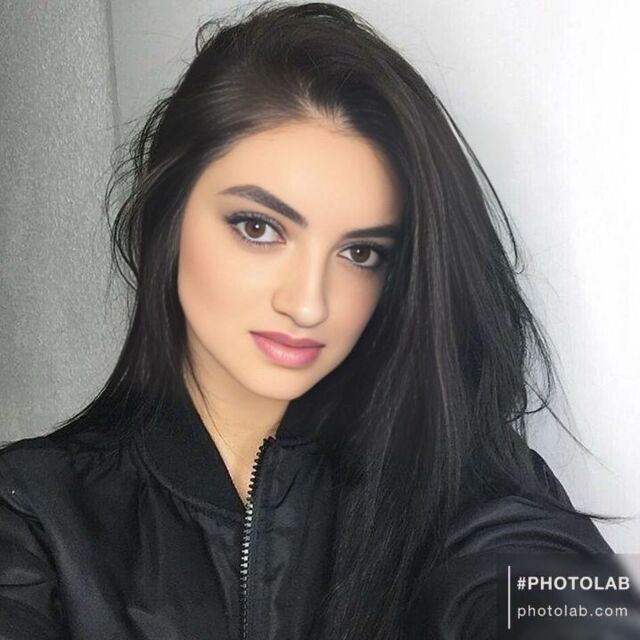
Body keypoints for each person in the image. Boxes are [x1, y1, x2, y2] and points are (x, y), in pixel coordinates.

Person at [0, 2, 636, 639]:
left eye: (360, 253)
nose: (309, 305)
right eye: (258, 228)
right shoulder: (31, 514)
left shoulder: (470, 487)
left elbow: (570, 605)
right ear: (166, 215)